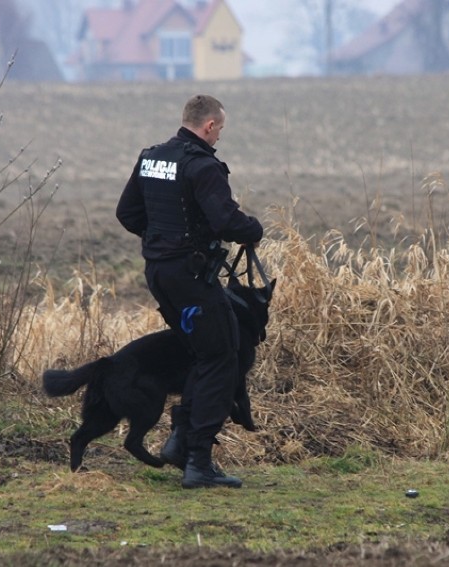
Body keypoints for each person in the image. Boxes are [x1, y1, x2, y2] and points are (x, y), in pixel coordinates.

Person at [116, 94, 263, 489]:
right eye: (220, 131)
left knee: (205, 352)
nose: (219, 140)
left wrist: (160, 239)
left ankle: (182, 443)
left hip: (159, 275)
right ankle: (196, 459)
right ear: (210, 126)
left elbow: (127, 213)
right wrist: (253, 230)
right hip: (190, 278)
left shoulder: (152, 158)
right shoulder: (203, 165)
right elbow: (225, 220)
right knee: (222, 357)